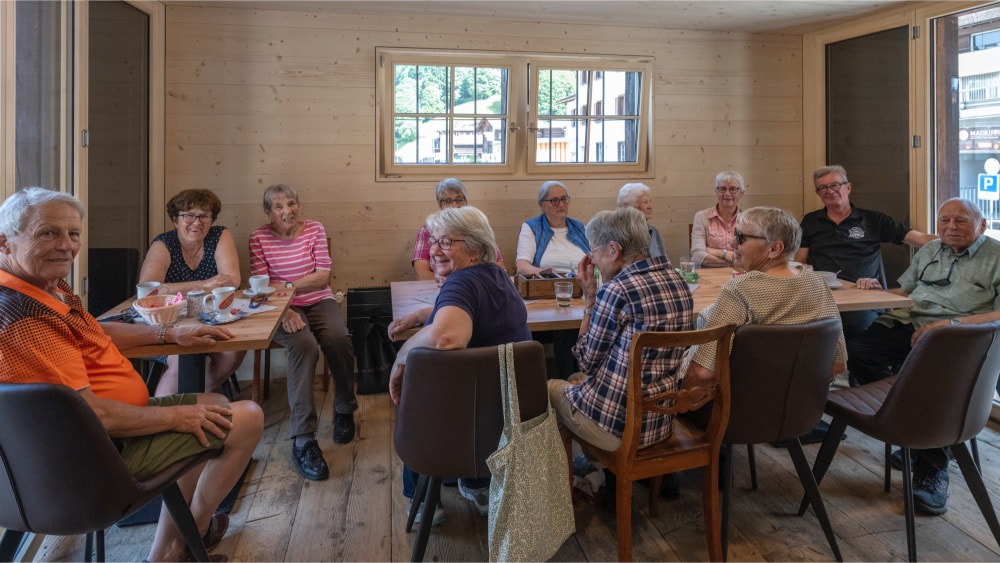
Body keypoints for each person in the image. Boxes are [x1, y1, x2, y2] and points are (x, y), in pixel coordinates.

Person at [0, 188, 263, 562]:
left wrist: (168, 333)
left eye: (73, 234)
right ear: (4, 242)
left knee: (216, 402)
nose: (66, 246)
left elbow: (96, 330)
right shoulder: (24, 318)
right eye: (48, 233)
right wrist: (174, 416)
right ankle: (183, 540)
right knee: (247, 417)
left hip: (99, 434)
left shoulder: (44, 288)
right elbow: (95, 414)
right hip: (97, 458)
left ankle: (178, 538)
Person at [846, 198, 1000, 516]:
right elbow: (907, 291)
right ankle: (912, 428)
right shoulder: (929, 250)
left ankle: (931, 467)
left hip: (960, 338)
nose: (950, 227)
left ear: (982, 225)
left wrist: (947, 325)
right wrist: (877, 289)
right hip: (910, 323)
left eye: (960, 221)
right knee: (856, 352)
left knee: (926, 378)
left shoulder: (996, 256)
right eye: (944, 220)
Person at [389, 206, 531, 524]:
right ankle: (478, 485)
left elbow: (447, 337)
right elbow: (467, 311)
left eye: (445, 242)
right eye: (434, 241)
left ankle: (424, 499)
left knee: (416, 395)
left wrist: (401, 359)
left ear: (473, 243)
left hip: (459, 429)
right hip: (504, 419)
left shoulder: (461, 283)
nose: (435, 250)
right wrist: (423, 314)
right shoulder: (498, 276)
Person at [550, 206, 692, 454]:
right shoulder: (677, 280)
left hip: (617, 428)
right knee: (575, 382)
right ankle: (599, 474)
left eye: (593, 251)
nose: (591, 259)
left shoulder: (617, 289)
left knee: (548, 386)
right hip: (659, 423)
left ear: (614, 250)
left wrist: (590, 299)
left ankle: (564, 482)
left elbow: (585, 362)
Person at [248, 184, 357, 482]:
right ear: (268, 213)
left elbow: (323, 276)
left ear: (299, 204)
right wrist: (285, 308)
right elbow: (261, 284)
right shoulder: (258, 237)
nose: (287, 211)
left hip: (318, 300)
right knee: (305, 346)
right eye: (279, 207)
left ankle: (345, 409)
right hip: (280, 309)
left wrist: (287, 288)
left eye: (291, 203)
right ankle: (303, 438)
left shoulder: (315, 229)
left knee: (338, 337)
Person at [685, 206, 846, 389]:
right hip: (803, 410)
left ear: (775, 248)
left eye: (740, 238)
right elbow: (838, 365)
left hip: (740, 408)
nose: (731, 244)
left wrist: (678, 405)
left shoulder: (740, 289)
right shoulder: (818, 283)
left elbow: (703, 373)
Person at [795, 164, 936, 338]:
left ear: (848, 187)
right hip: (823, 295)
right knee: (811, 331)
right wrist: (803, 268)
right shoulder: (811, 221)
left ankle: (847, 365)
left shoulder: (872, 220)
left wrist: (963, 239)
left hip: (864, 297)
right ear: (818, 193)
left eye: (835, 185)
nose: (829, 191)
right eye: (822, 188)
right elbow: (800, 259)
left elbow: (920, 239)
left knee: (855, 331)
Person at [138, 189, 246, 396]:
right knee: (181, 359)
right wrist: (205, 284)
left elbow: (232, 280)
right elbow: (149, 289)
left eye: (204, 216)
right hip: (169, 322)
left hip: (211, 318)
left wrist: (173, 288)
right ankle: (164, 415)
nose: (196, 222)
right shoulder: (164, 244)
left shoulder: (219, 235)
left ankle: (200, 392)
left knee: (234, 348)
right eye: (188, 215)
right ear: (174, 220)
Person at [515, 180, 590, 378]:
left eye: (564, 199)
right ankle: (570, 378)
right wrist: (545, 272)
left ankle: (589, 377)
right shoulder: (531, 228)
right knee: (565, 326)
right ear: (542, 204)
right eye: (555, 201)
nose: (561, 205)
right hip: (549, 294)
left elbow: (595, 259)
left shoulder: (580, 227)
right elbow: (522, 266)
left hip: (582, 292)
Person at [411, 178, 504, 281]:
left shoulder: (477, 227)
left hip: (476, 283)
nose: (455, 205)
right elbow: (421, 274)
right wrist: (451, 284)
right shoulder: (428, 229)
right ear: (440, 205)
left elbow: (499, 267)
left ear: (466, 202)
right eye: (448, 201)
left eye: (459, 199)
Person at [691, 171, 745, 268]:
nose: (727, 194)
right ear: (716, 191)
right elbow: (697, 256)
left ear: (741, 193)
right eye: (722, 189)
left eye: (733, 189)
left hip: (738, 276)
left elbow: (747, 259)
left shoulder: (747, 221)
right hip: (708, 276)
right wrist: (731, 259)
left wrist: (714, 251)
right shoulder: (702, 217)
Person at [617, 182, 667, 260]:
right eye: (645, 202)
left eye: (650, 201)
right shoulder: (614, 230)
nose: (650, 206)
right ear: (627, 206)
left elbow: (661, 262)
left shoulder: (652, 231)